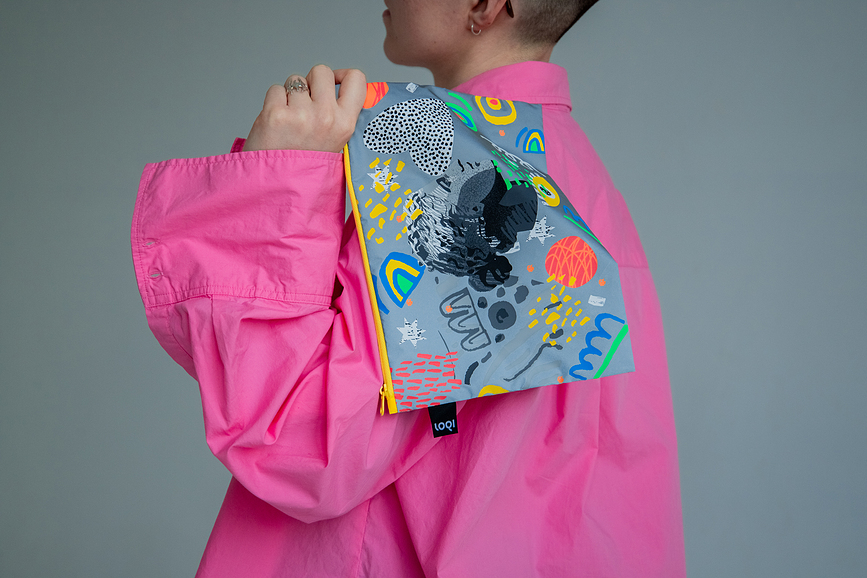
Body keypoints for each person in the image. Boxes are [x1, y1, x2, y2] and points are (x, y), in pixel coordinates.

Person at [132, 0, 685, 575]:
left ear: (484, 5)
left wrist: (277, 182)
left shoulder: (466, 174)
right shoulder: (578, 175)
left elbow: (300, 451)